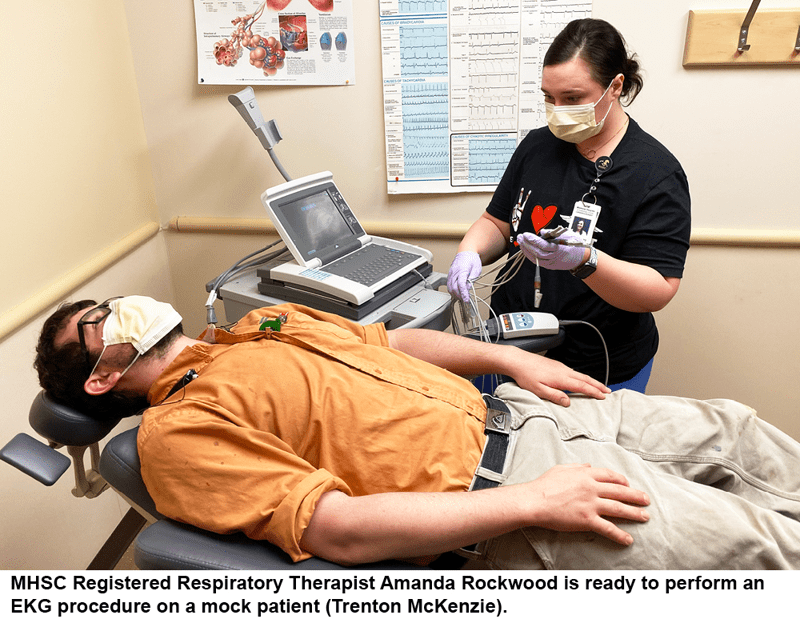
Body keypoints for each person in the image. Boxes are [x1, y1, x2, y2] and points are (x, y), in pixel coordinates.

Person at [34, 296, 800, 569]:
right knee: (761, 546)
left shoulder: (254, 326)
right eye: (97, 323)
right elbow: (333, 526)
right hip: (507, 493)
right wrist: (532, 503)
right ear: (101, 377)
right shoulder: (178, 435)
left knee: (735, 430)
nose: (116, 309)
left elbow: (391, 344)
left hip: (523, 414)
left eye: (105, 302)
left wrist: (506, 361)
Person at [447, 19, 691, 392]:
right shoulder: (537, 147)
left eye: (573, 98)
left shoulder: (655, 173)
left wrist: (586, 261)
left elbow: (658, 289)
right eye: (549, 97)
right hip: (511, 351)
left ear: (616, 86)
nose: (558, 110)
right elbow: (497, 223)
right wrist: (470, 251)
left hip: (598, 364)